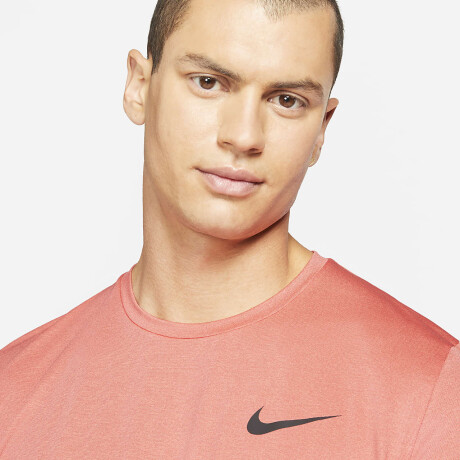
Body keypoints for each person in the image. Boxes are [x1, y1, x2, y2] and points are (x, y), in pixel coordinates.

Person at [0, 0, 458, 457]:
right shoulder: (14, 390)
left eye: (287, 100)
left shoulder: (430, 387)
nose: (243, 136)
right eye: (209, 82)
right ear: (139, 86)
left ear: (322, 128)